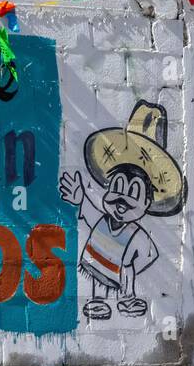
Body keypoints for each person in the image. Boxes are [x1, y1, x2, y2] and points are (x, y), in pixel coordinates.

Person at [58, 101, 187, 320]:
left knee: (126, 269)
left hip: (120, 266)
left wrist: (132, 263)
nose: (121, 200)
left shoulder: (136, 234)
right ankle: (97, 301)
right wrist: (80, 197)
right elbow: (88, 213)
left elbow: (148, 254)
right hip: (97, 262)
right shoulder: (101, 220)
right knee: (97, 279)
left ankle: (127, 298)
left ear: (147, 203)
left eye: (133, 192)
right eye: (117, 187)